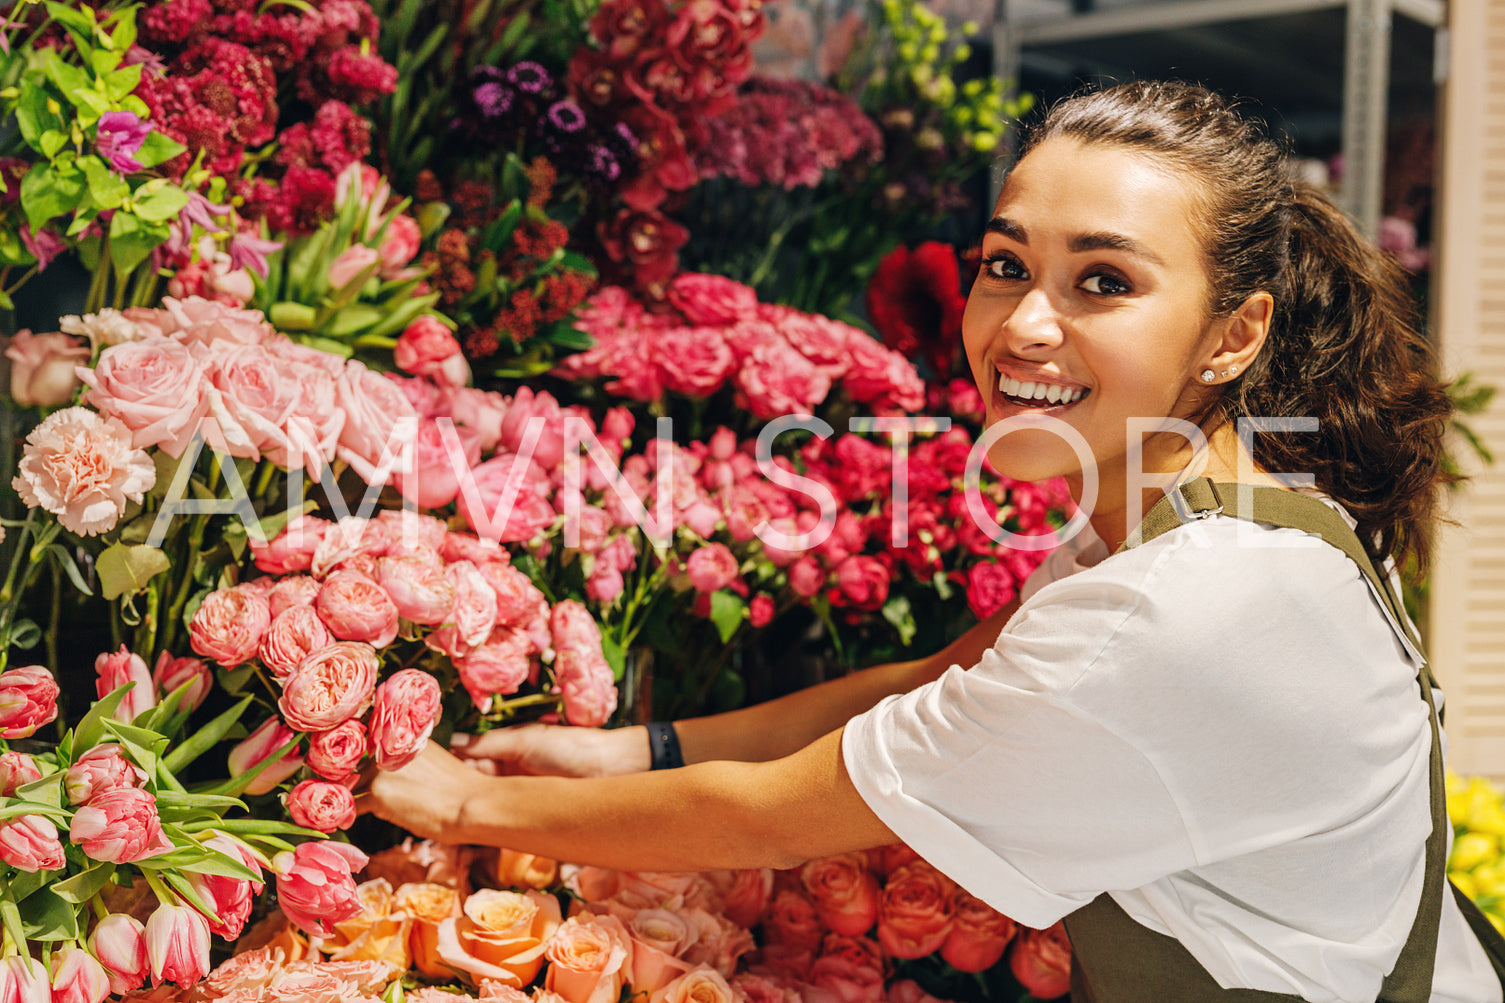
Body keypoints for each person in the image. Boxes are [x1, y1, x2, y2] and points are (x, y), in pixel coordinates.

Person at [367, 81, 1504, 1000]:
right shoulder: (1207, 518)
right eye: (1006, 265)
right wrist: (636, 748)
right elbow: (936, 678)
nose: (1022, 324)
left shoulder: (1187, 606)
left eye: (1101, 281)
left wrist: (461, 806)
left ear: (1231, 333)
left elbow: (775, 815)